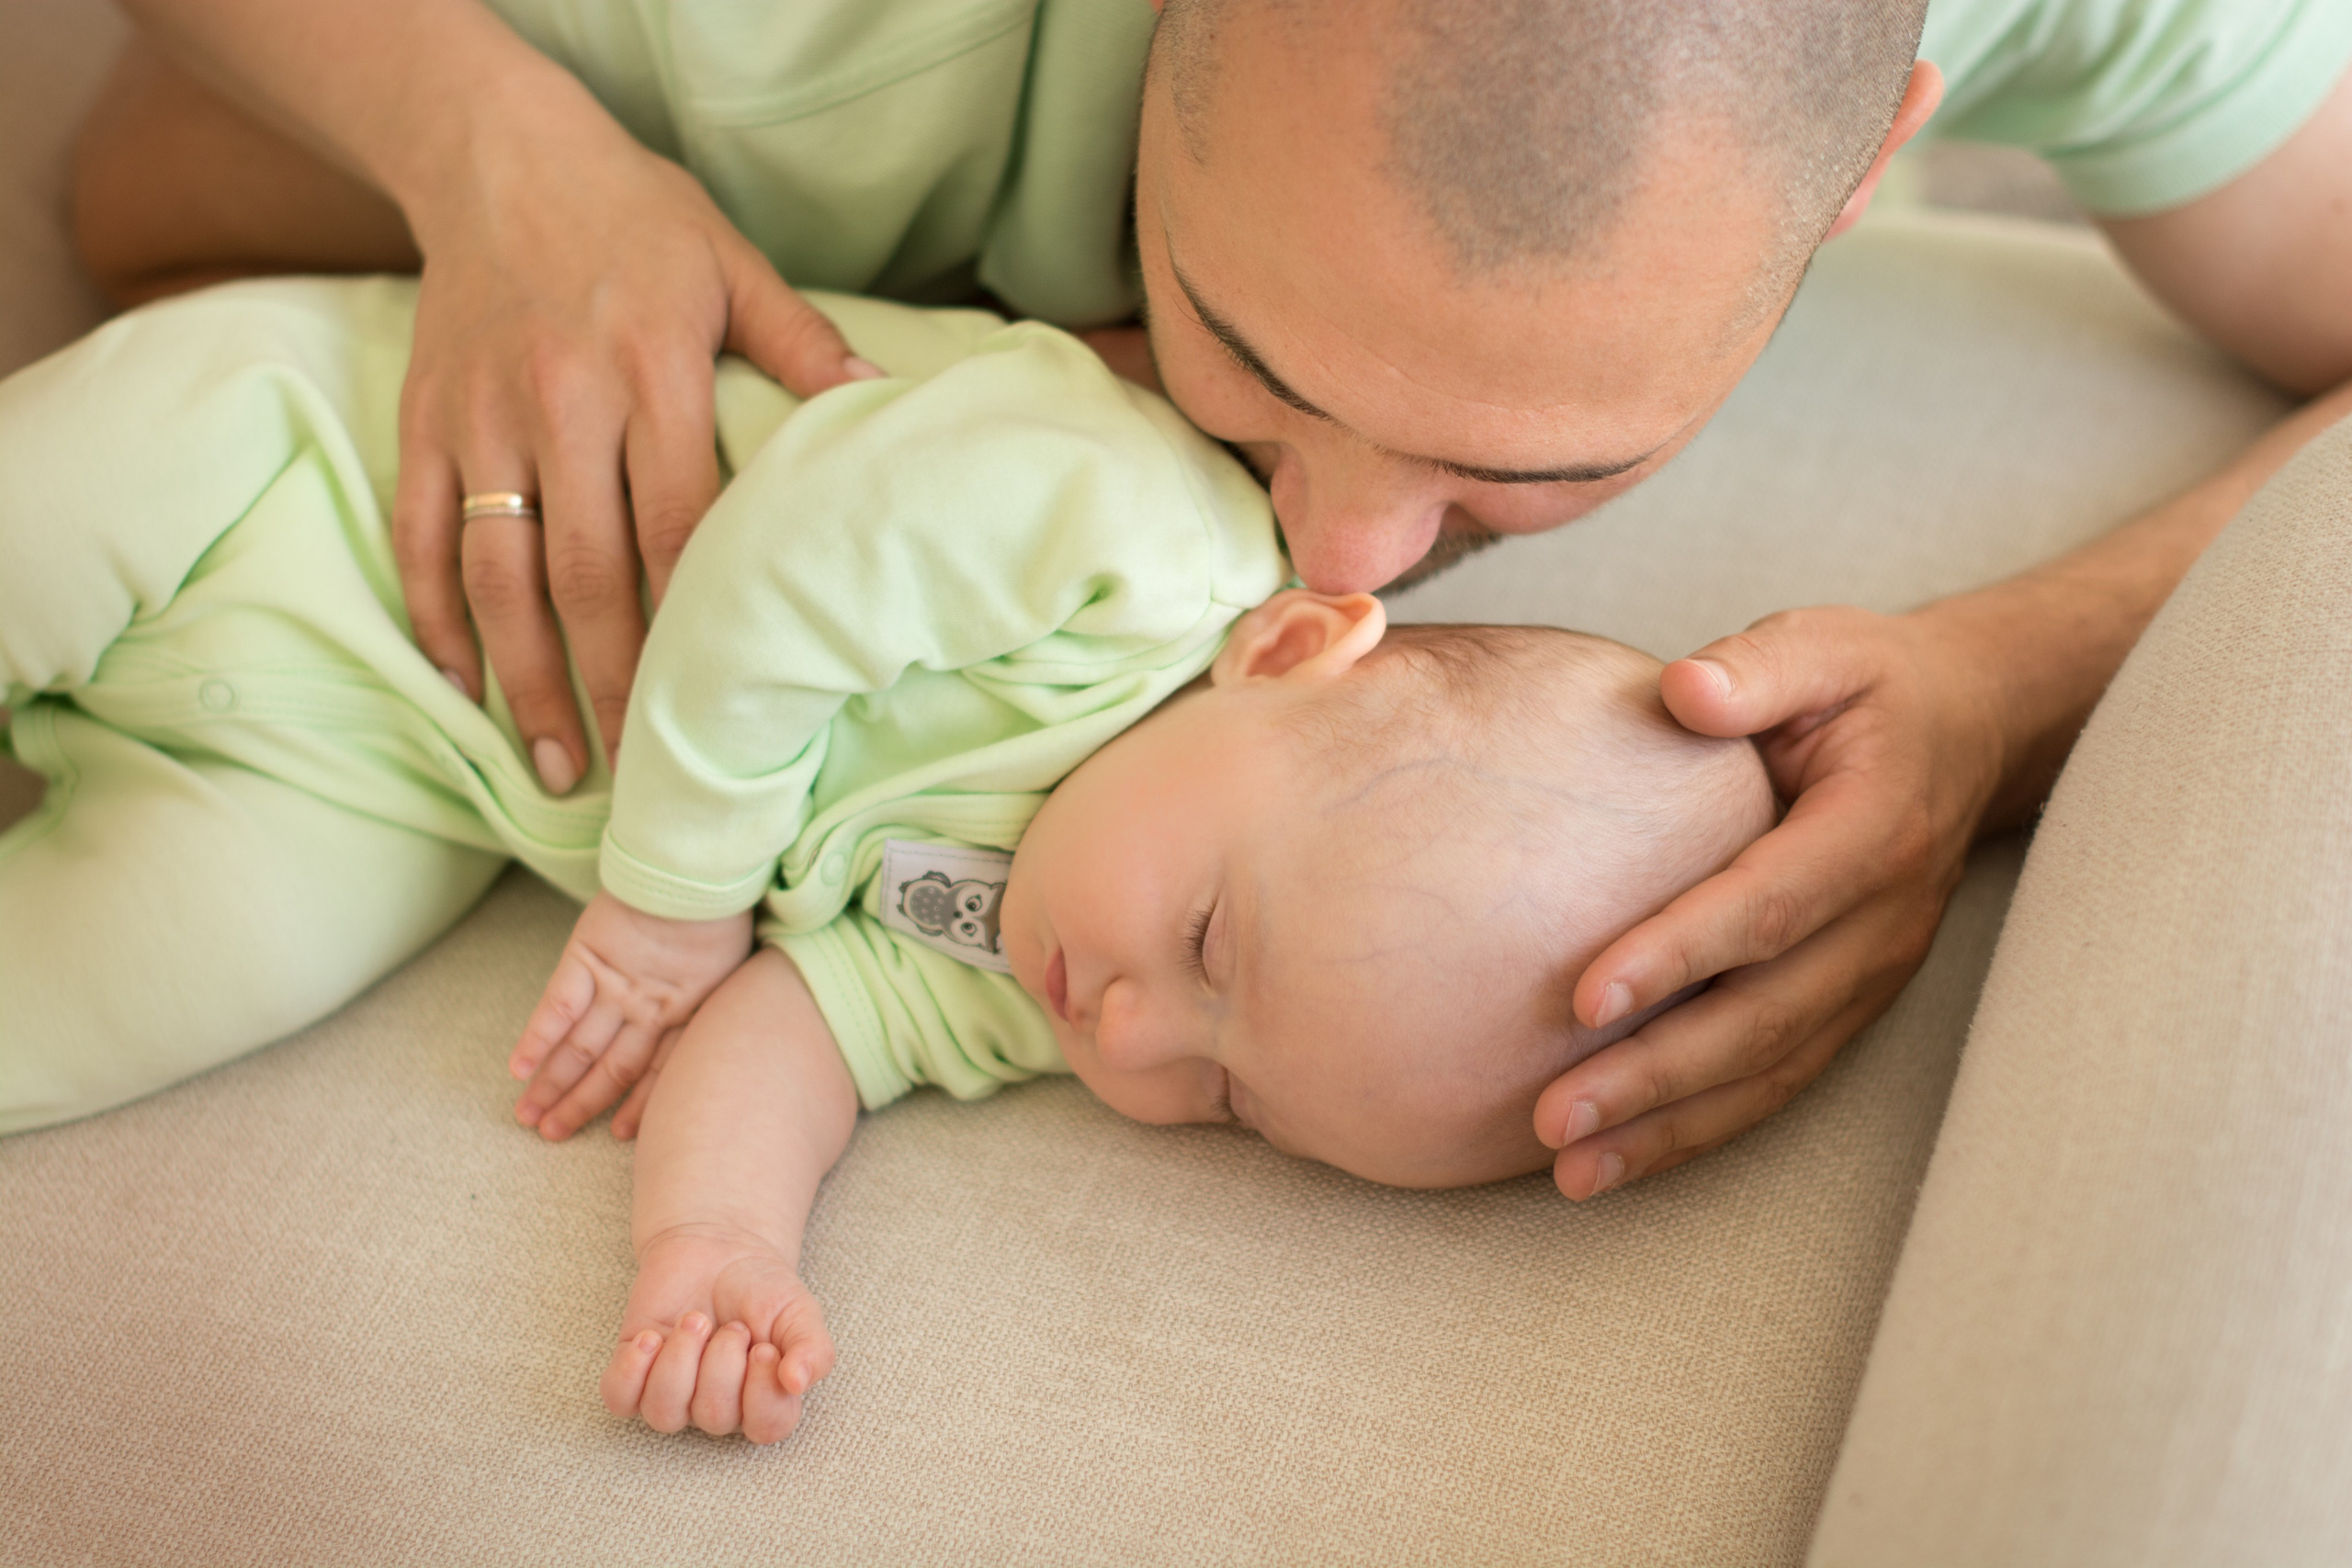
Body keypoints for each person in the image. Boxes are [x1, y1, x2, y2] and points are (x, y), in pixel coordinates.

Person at [62, 0, 2352, 1205]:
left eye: (1538, 472)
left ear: (1873, 166)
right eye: (1243, 351)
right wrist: (507, 155)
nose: (1334, 564)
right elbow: (136, 189)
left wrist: (2000, 683)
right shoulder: (819, 46)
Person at [0, 277, 1770, 1449]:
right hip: (314, 466)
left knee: (153, 976)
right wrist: (677, 896)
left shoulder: (1059, 977)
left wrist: (719, 1239)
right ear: (1292, 655)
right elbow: (781, 569)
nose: (1136, 1038)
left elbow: (811, 1029)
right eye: (1213, 940)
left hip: (401, 764)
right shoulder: (1127, 538)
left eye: (1228, 1101)